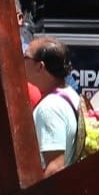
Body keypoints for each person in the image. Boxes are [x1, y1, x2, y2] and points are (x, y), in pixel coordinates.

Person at [23, 35, 82, 175]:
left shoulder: (49, 108)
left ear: (40, 66)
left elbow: (55, 168)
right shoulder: (69, 93)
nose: (21, 61)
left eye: (25, 57)